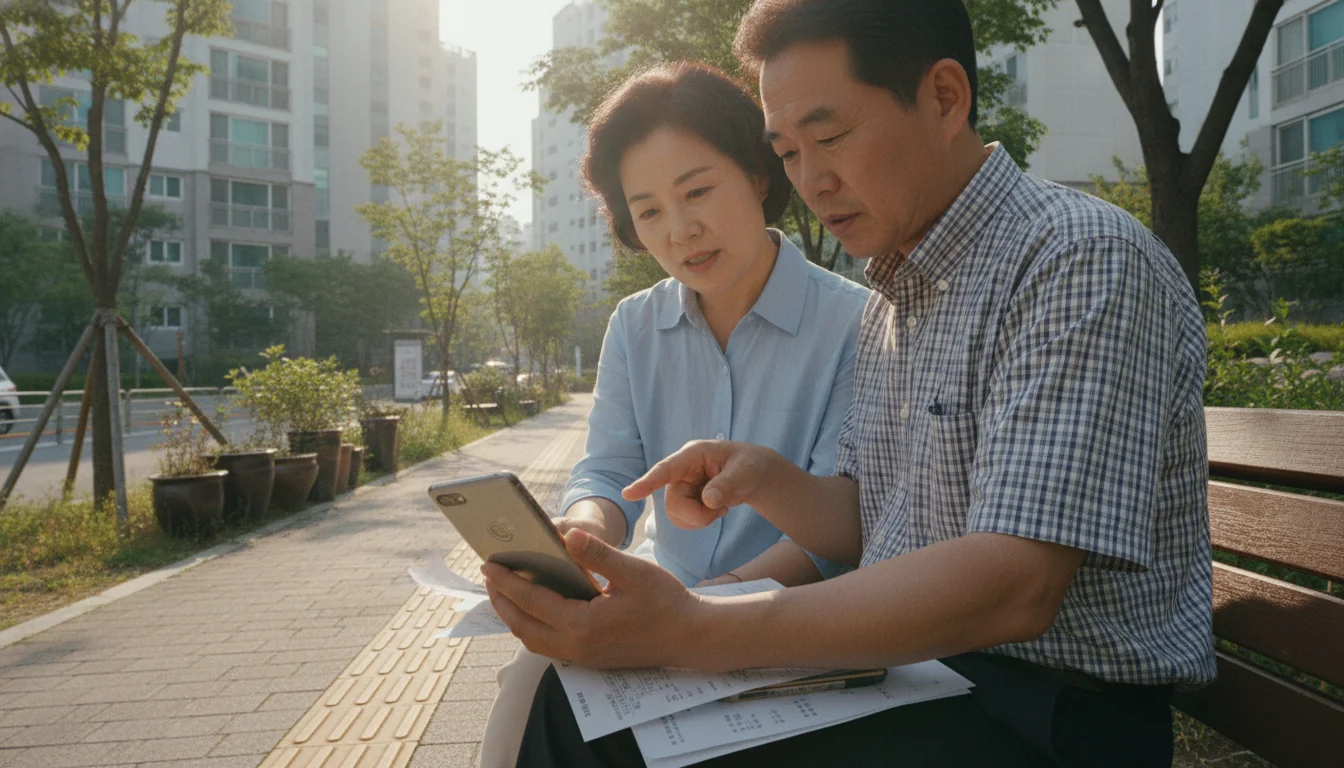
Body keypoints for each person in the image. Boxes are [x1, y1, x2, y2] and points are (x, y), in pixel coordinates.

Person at [484, 1, 1217, 766]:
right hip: (927, 677)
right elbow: (869, 521)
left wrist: (694, 628)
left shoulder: (1075, 260)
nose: (813, 181)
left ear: (944, 98)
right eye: (790, 152)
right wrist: (767, 478)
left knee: (605, 739)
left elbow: (1015, 586)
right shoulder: (900, 296)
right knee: (574, 706)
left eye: (830, 137)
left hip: (1051, 713)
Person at [474, 61, 869, 768]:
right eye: (649, 210)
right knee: (532, 692)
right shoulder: (633, 325)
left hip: (792, 629)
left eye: (698, 191)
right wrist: (583, 538)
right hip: (660, 612)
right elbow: (609, 468)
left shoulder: (857, 324)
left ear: (756, 173)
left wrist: (695, 612)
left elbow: (837, 530)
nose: (681, 230)